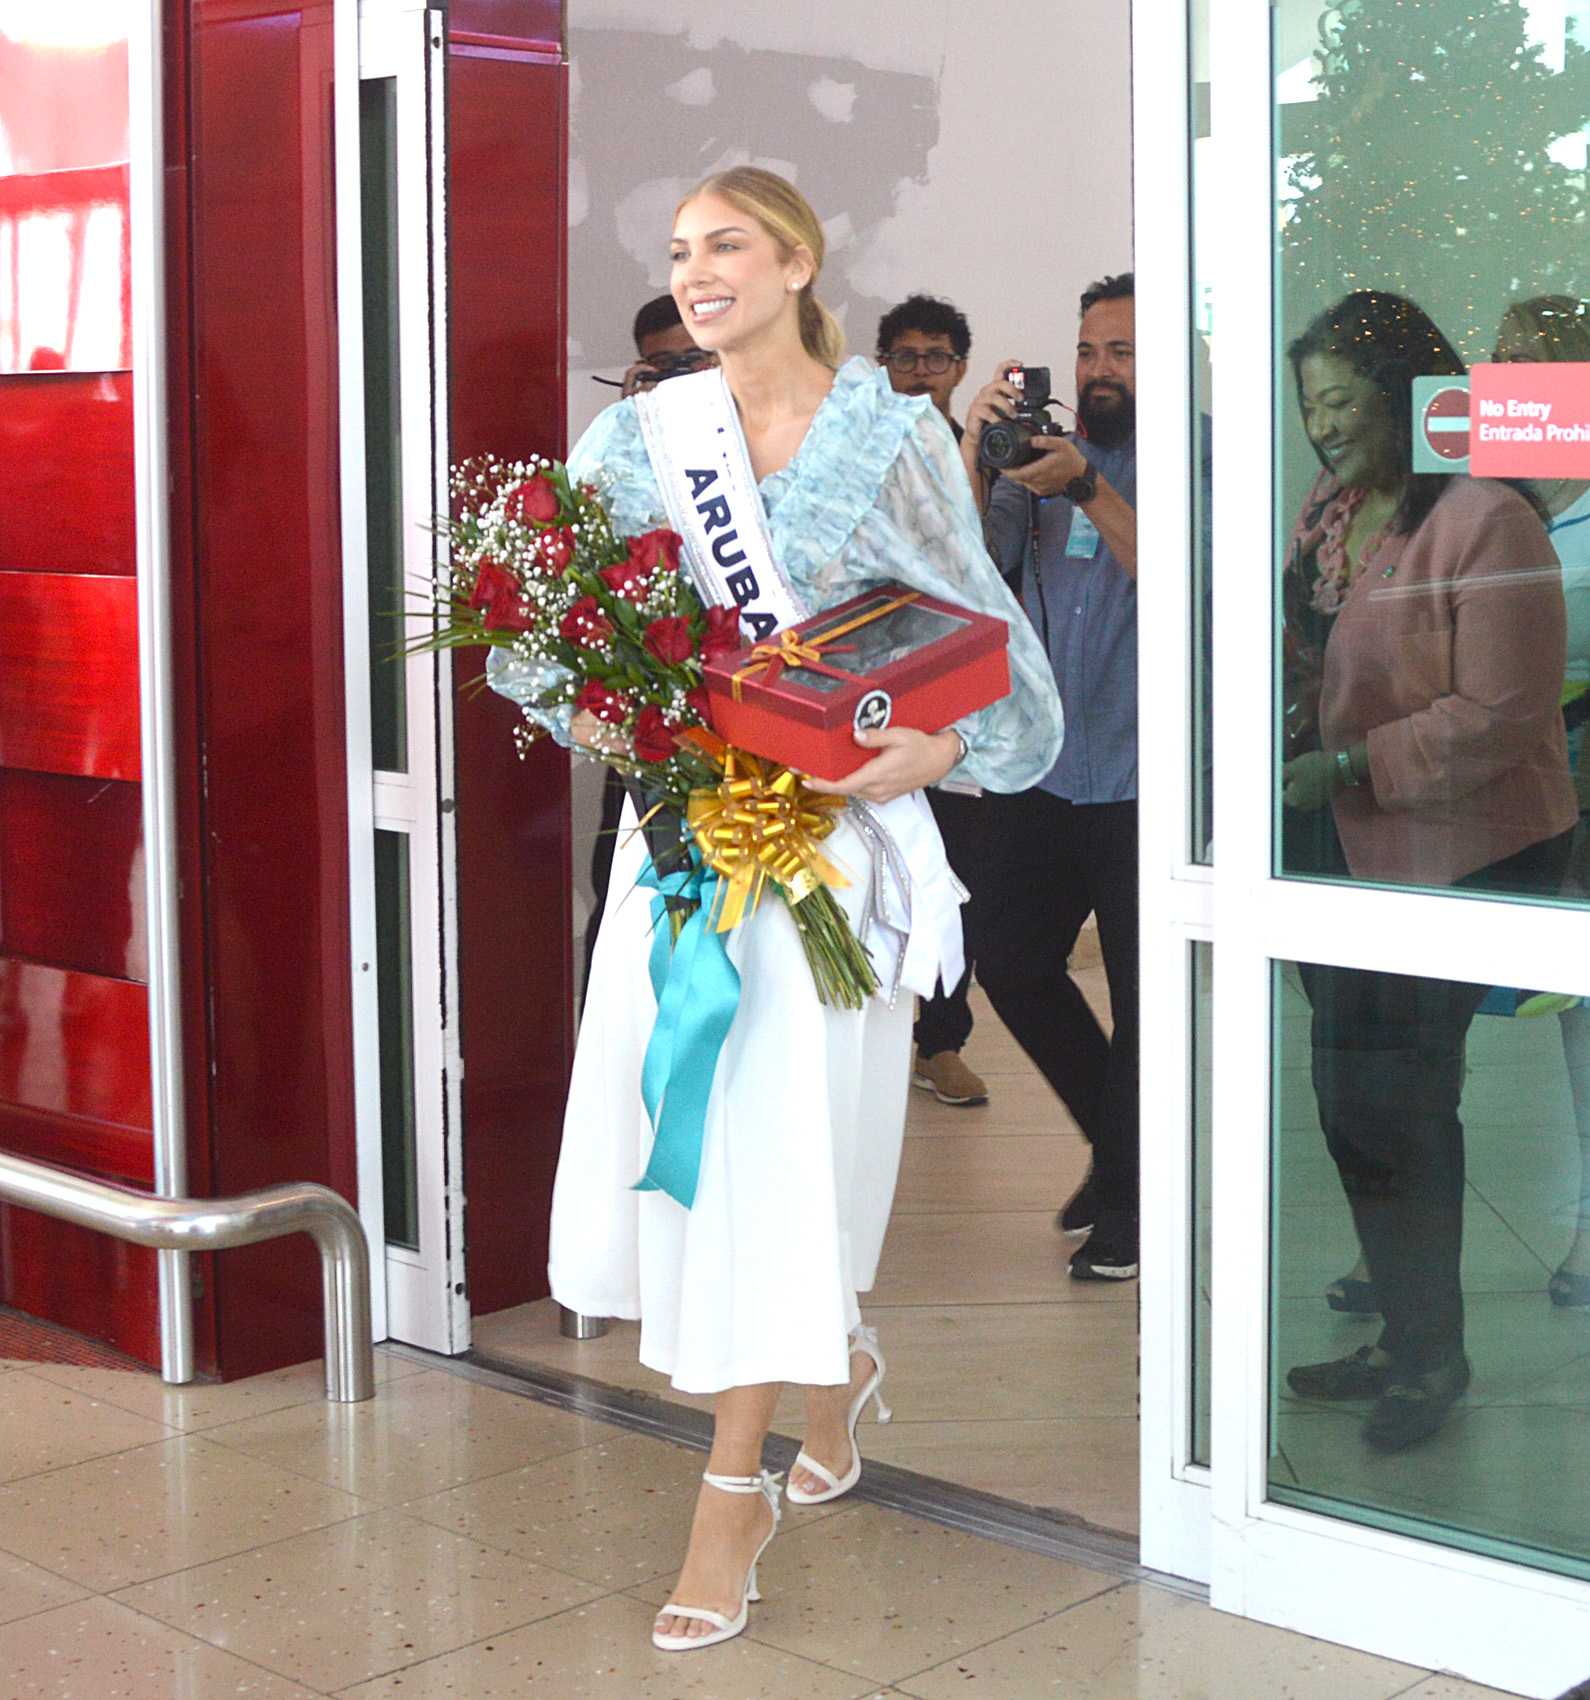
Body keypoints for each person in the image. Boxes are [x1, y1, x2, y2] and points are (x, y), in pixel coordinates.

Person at [509, 167, 1062, 1651]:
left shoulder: (890, 440)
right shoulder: (635, 439)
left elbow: (1003, 669)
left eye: (726, 244)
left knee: (777, 1160)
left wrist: (936, 747)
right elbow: (535, 651)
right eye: (679, 250)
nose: (696, 272)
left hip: (827, 863)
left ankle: (727, 1497)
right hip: (684, 855)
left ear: (798, 259)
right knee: (718, 1154)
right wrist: (629, 706)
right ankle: (834, 1382)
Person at [1277, 291, 1576, 1451]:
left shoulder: (1490, 516)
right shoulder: (1335, 505)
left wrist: (1352, 758)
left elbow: (1503, 713)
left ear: (1409, 397)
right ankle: (1403, 1333)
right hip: (1345, 844)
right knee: (1348, 1095)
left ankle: (1432, 1357)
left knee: (1402, 1102)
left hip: (1465, 846)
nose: (1324, 427)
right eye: (1311, 406)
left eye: (1344, 402)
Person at [959, 273, 1142, 1280]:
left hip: (1146, 774)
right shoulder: (1028, 464)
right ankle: (1131, 1159)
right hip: (1041, 761)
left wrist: (1086, 485)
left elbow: (1189, 583)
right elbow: (969, 582)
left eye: (1121, 351)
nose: (1098, 369)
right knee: (1010, 957)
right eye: (1087, 350)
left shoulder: (1202, 453)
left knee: (1145, 998)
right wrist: (975, 455)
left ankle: (1126, 1195)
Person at [583, 296, 719, 1008]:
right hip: (646, 708)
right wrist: (636, 417)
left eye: (692, 361)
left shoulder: (750, 439)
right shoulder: (619, 444)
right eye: (660, 365)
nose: (678, 378)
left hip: (741, 716)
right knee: (630, 895)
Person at [875, 294, 988, 1107]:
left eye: (936, 359)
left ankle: (940, 1039)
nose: (920, 373)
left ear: (961, 369)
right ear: (882, 364)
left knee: (960, 867)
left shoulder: (983, 454)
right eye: (905, 357)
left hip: (954, 694)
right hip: (870, 685)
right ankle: (869, 1031)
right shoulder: (847, 449)